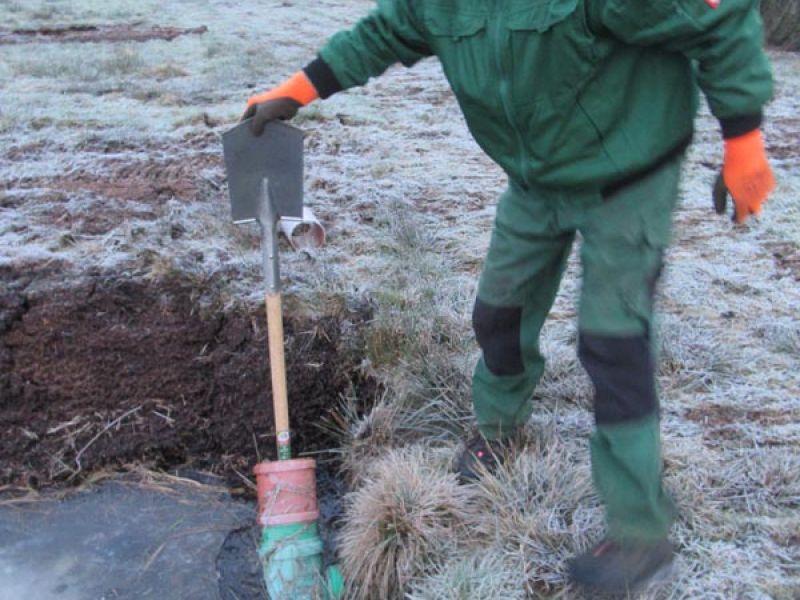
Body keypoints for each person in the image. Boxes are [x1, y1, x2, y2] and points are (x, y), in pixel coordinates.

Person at [242, 0, 775, 594]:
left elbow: (718, 19)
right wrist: (302, 87)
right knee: (498, 314)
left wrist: (743, 137)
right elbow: (388, 30)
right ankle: (499, 430)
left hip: (630, 171)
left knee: (612, 343)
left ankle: (641, 533)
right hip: (538, 178)